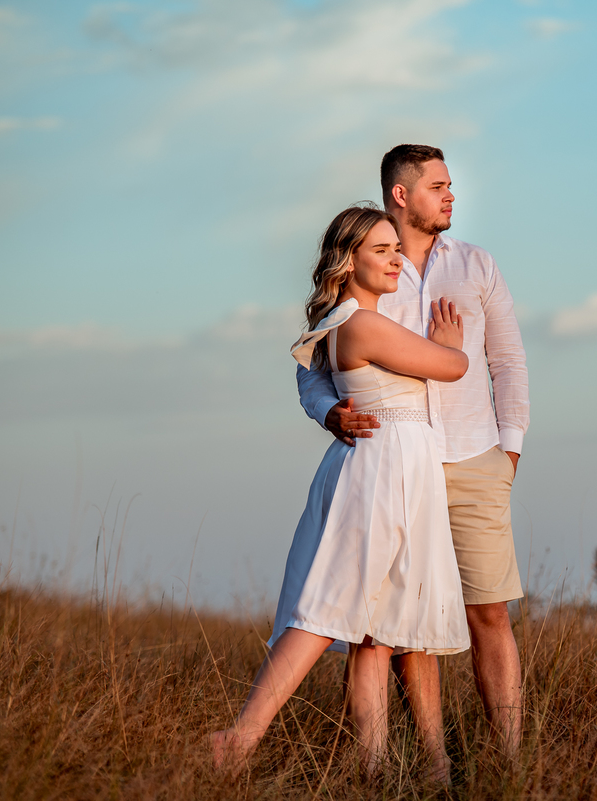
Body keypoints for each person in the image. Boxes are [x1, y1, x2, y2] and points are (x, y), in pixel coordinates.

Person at [210, 204, 470, 780]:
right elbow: (451, 368)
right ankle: (242, 737)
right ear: (347, 260)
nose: (395, 259)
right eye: (381, 250)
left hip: (389, 463)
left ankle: (372, 764)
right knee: (332, 603)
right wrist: (451, 345)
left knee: (372, 624)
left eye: (396, 249)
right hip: (383, 468)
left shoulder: (343, 320)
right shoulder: (363, 324)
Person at [297, 145, 530, 758]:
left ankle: (509, 762)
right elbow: (312, 367)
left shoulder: (477, 265)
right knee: (401, 629)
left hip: (475, 459)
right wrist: (330, 411)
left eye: (451, 184)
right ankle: (430, 766)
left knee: (490, 612)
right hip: (396, 468)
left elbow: (506, 361)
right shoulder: (371, 263)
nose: (451, 195)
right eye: (438, 186)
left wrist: (510, 450)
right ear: (401, 195)